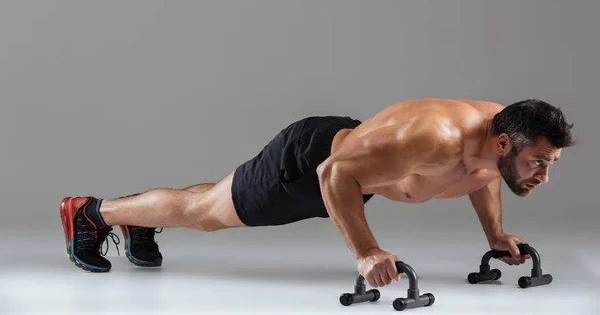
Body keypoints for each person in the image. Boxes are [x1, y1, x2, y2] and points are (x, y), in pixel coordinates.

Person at [60, 98, 574, 287]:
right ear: (504, 142)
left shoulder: (496, 140)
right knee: (205, 213)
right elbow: (334, 174)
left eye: (548, 165)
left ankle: (140, 220)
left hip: (357, 158)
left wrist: (496, 233)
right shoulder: (434, 138)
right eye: (538, 164)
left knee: (211, 200)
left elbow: (484, 178)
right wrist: (367, 251)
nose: (541, 176)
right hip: (312, 163)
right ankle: (92, 213)